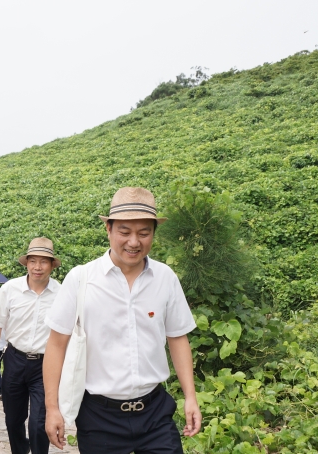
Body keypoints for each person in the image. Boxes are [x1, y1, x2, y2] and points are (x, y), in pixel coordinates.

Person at [43, 187, 202, 454]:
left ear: (153, 233)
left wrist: (191, 397)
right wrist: (52, 408)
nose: (134, 242)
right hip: (98, 416)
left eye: (144, 233)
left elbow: (177, 338)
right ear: (109, 229)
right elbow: (56, 344)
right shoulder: (82, 279)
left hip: (155, 412)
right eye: (124, 232)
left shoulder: (165, 278)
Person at [0, 237, 61, 454]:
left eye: (43, 262)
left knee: (38, 423)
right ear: (26, 263)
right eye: (33, 261)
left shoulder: (61, 293)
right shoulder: (10, 289)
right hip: (14, 360)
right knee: (13, 419)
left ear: (52, 265)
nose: (38, 267)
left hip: (45, 364)